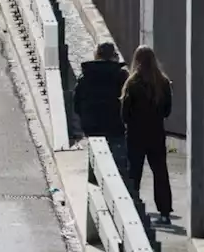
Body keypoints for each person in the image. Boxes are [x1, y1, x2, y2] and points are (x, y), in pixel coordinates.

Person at [121, 46, 173, 224]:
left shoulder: (132, 83)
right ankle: (165, 212)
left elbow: (124, 114)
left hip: (136, 135)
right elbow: (167, 111)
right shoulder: (163, 83)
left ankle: (134, 208)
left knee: (134, 172)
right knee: (160, 173)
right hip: (156, 134)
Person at [74, 42, 129, 172]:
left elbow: (77, 102)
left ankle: (94, 183)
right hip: (116, 123)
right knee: (119, 165)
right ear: (114, 55)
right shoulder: (121, 76)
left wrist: (84, 118)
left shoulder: (86, 76)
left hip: (92, 124)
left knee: (95, 159)